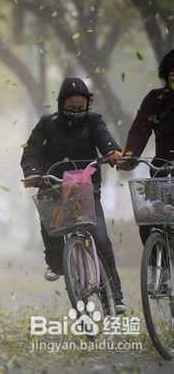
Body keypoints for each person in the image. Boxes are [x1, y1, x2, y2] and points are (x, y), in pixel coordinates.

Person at [20, 77, 127, 314]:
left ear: (87, 105)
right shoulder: (46, 124)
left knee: (100, 238)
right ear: (61, 105)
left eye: (81, 108)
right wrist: (33, 172)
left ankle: (116, 295)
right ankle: (56, 263)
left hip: (85, 186)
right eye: (71, 108)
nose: (77, 112)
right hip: (53, 184)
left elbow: (104, 139)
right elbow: (31, 152)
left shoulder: (94, 121)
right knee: (50, 221)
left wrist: (111, 151)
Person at [118, 49, 174, 243]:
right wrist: (130, 155)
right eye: (172, 74)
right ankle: (156, 266)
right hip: (161, 171)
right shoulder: (155, 99)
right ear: (166, 75)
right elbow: (141, 128)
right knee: (148, 218)